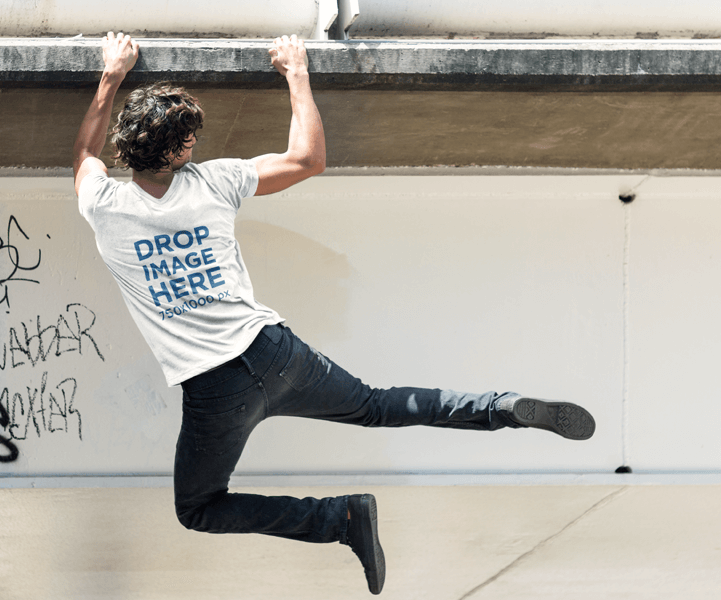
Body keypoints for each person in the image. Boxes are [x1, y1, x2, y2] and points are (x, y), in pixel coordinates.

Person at [73, 32, 596, 596]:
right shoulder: (214, 182)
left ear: (131, 148)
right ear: (178, 153)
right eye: (190, 137)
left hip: (215, 388)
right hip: (273, 351)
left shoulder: (104, 206)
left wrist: (110, 76)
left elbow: (83, 156)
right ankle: (502, 408)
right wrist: (296, 69)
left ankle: (339, 518)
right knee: (376, 405)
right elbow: (308, 159)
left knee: (199, 506)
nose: (197, 141)